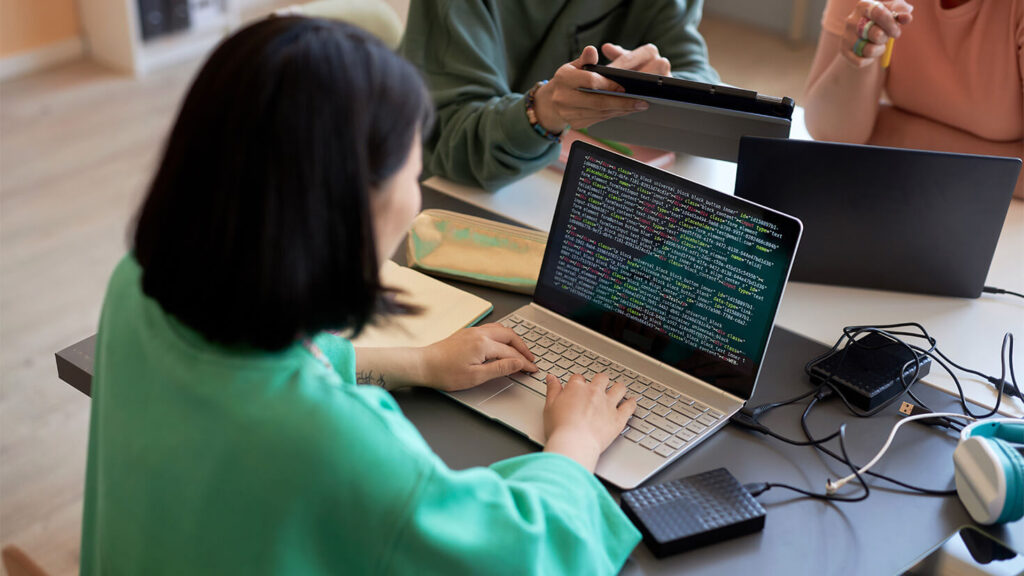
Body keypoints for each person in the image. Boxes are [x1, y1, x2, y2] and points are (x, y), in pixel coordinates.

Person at [79, 17, 641, 574]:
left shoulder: (136, 286)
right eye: (410, 170)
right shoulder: (339, 445)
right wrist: (576, 441)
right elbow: (521, 557)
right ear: (345, 207)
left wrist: (419, 363)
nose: (415, 198)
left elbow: (259, 372)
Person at [400, 0, 720, 191]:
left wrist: (664, 85)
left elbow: (700, 78)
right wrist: (540, 113)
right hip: (431, 195)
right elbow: (445, 141)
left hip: (554, 188)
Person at [804, 0, 1024, 198]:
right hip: (903, 193)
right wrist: (860, 56)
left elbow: (848, 141)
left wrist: (887, 134)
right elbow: (828, 133)